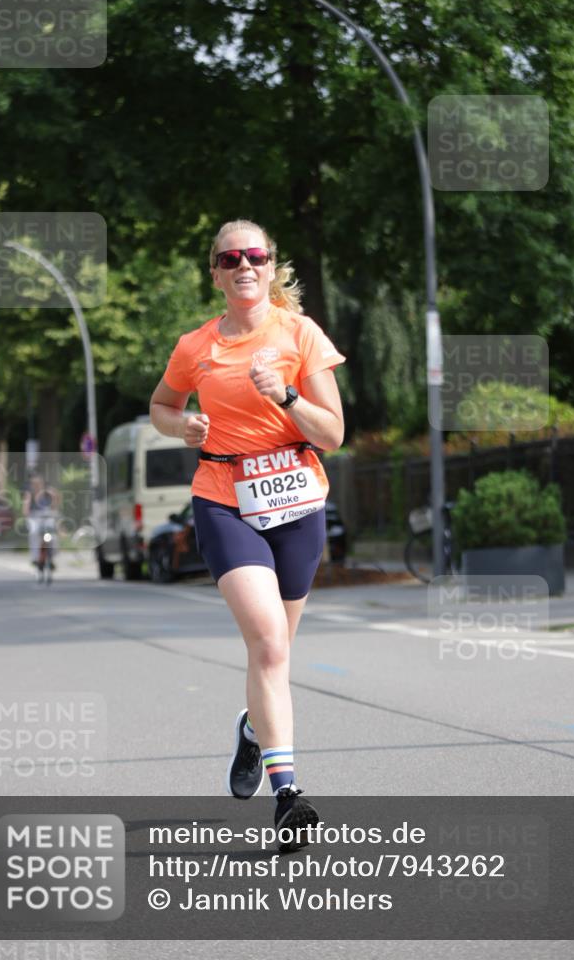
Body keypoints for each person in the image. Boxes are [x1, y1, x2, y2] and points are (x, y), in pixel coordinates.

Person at [150, 219, 346, 850]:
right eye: (229, 257)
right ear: (215, 271)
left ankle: (254, 729)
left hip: (297, 500)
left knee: (277, 654)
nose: (243, 265)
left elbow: (334, 433)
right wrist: (183, 428)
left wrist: (285, 395)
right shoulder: (195, 346)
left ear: (270, 266)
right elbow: (162, 406)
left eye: (254, 256)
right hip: (224, 499)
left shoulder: (299, 333)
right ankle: (289, 795)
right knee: (266, 643)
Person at [22, 474, 60, 569]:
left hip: (48, 516)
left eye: (38, 484)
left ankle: (52, 557)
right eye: (34, 484)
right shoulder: (29, 494)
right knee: (34, 533)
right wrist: (27, 514)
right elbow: (25, 509)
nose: (36, 486)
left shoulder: (48, 493)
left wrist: (54, 497)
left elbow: (55, 506)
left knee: (52, 535)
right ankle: (35, 558)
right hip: (34, 517)